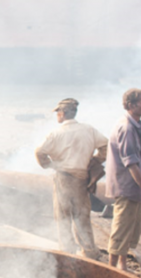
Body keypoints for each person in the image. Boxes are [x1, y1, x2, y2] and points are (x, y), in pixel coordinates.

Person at [35, 98, 108, 259]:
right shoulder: (89, 130)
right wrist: (95, 161)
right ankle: (89, 251)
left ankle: (67, 252)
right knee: (82, 216)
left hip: (63, 179)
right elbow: (105, 147)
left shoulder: (56, 133)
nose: (57, 116)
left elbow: (39, 152)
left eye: (57, 113)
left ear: (62, 113)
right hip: (82, 179)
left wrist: (49, 165)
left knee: (63, 216)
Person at [105, 89, 141, 271]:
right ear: (131, 106)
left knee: (129, 229)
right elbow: (131, 164)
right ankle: (110, 270)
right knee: (121, 229)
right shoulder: (126, 128)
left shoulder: (135, 124)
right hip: (126, 186)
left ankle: (122, 264)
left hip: (132, 187)